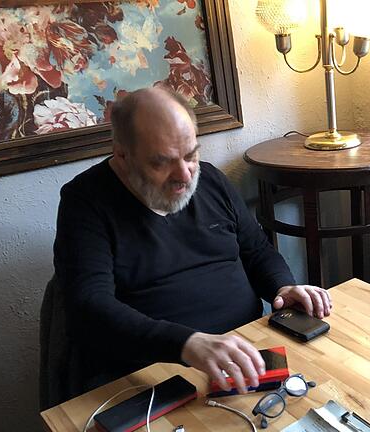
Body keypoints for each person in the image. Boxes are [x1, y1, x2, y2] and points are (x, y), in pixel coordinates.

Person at [53, 87, 332, 395]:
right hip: (155, 372)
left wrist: (282, 286)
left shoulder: (211, 180)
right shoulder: (85, 202)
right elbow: (88, 308)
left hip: (246, 352)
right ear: (122, 155)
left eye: (191, 155)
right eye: (162, 162)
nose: (184, 175)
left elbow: (256, 250)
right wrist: (188, 343)